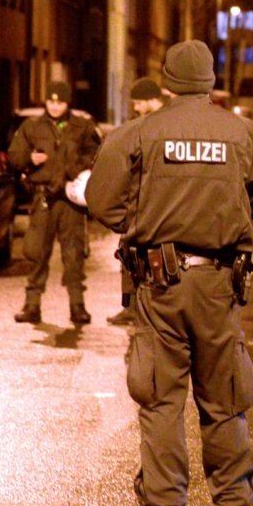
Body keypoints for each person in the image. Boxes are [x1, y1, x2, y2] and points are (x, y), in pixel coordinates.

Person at [86, 40, 253, 506]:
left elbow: (101, 201)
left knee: (161, 399)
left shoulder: (138, 133)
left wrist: (146, 223)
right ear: (211, 82)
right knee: (225, 399)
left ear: (167, 82)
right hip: (220, 284)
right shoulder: (244, 134)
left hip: (159, 284)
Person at [9, 81, 102, 325]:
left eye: (59, 102)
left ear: (67, 102)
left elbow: (96, 153)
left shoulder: (82, 126)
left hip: (70, 199)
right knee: (38, 252)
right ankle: (32, 305)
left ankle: (77, 305)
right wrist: (29, 158)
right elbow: (14, 156)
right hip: (43, 197)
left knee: (73, 253)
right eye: (51, 102)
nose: (55, 106)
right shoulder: (32, 126)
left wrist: (75, 169)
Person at [108, 77, 168, 326]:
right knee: (128, 255)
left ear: (152, 100)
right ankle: (130, 306)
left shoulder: (163, 125)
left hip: (156, 200)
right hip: (138, 198)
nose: (135, 106)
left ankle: (150, 305)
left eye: (139, 102)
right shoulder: (140, 125)